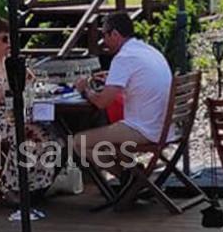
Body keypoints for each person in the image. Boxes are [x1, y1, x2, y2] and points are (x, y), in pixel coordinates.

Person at [0, 17, 62, 204]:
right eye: (4, 39)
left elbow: (31, 83)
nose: (9, 44)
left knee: (48, 133)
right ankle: (7, 187)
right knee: (23, 131)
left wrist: (26, 78)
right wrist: (13, 82)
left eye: (11, 39)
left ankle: (35, 186)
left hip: (8, 116)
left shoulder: (6, 61)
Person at [70, 13, 171, 176]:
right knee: (109, 138)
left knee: (78, 142)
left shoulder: (123, 58)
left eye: (105, 35)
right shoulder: (148, 50)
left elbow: (102, 102)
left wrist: (85, 89)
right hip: (164, 126)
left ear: (115, 34)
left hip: (144, 130)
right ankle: (134, 176)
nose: (103, 41)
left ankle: (127, 179)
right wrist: (113, 76)